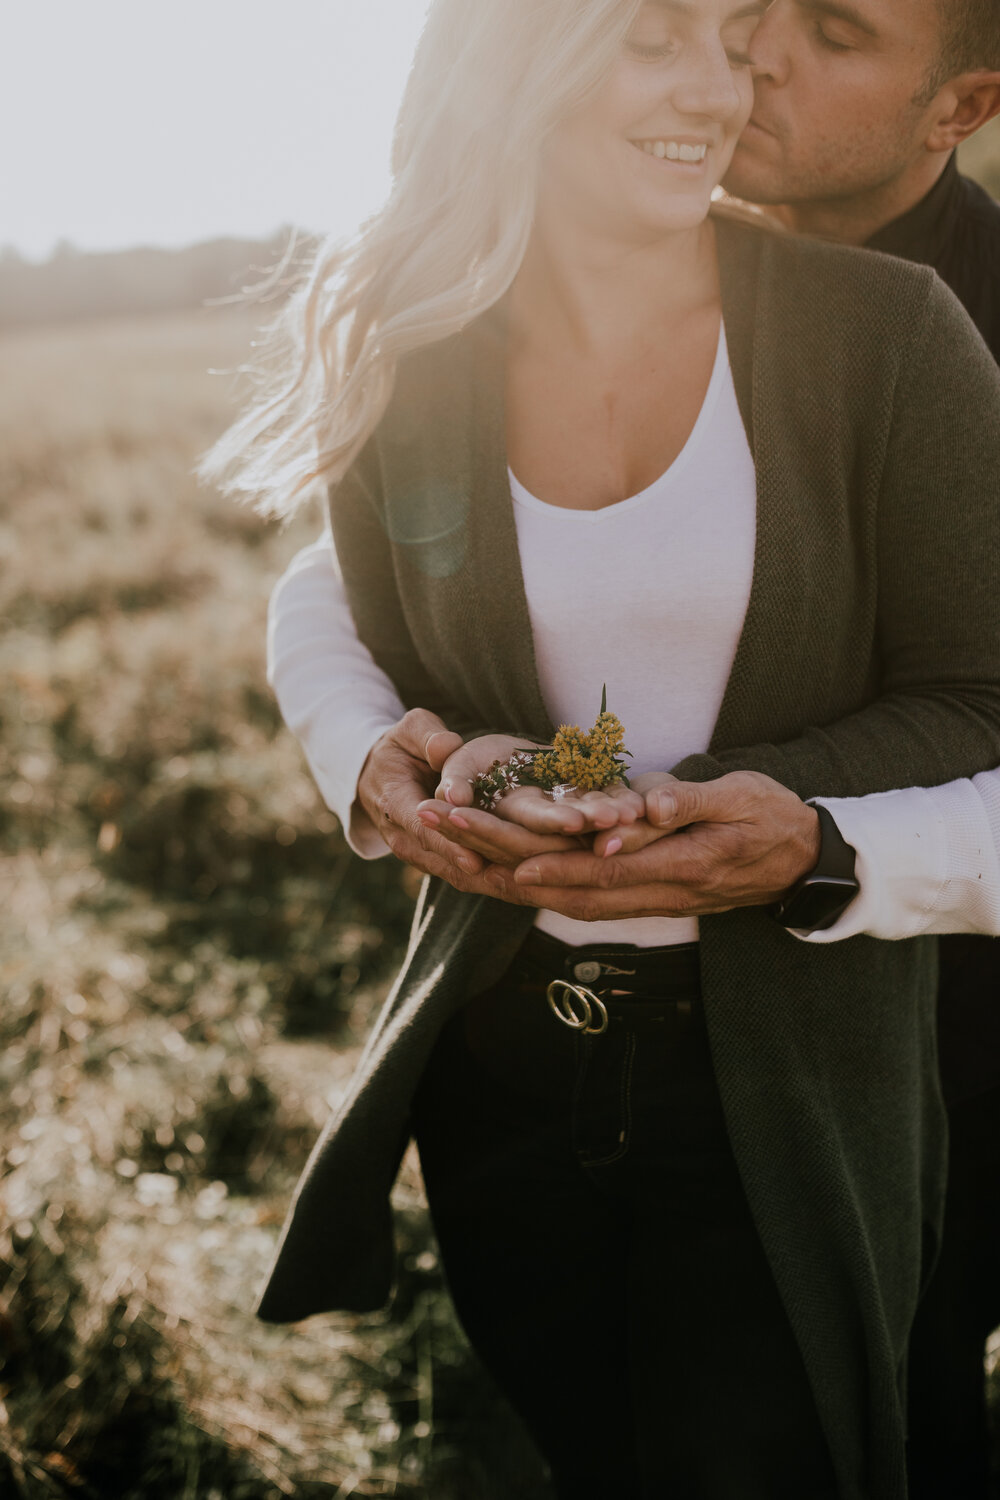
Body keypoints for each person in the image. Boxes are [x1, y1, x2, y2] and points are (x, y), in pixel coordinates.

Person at [216, 1, 1000, 1495]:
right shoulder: (410, 353)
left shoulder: (891, 336)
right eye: (663, 36)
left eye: (742, 36)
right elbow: (352, 625)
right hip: (503, 1071)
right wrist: (393, 758)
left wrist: (806, 836)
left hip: (801, 1078)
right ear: (518, 59)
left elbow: (982, 694)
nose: (726, 82)